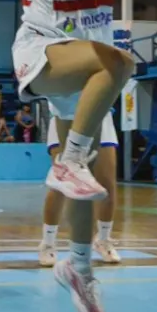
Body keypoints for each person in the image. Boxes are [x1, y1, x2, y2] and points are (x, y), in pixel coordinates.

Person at [13, 0, 154, 312]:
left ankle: (80, 266)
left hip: (85, 59)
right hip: (44, 45)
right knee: (120, 64)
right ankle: (68, 160)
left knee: (90, 179)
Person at [39, 113, 121, 267]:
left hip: (100, 116)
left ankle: (103, 239)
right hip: (64, 113)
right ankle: (48, 243)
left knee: (108, 184)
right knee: (61, 183)